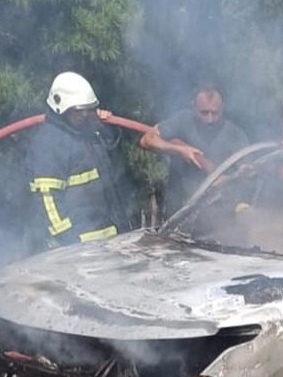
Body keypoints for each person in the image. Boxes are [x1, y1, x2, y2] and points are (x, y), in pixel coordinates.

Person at [23, 72, 137, 251]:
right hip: (80, 250)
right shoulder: (50, 143)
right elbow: (49, 202)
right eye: (79, 111)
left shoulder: (88, 134)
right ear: (61, 108)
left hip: (109, 243)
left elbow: (113, 171)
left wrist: (105, 128)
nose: (85, 115)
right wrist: (71, 244)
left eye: (88, 109)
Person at [139, 85, 248, 215]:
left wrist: (230, 179)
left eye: (215, 113)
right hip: (179, 211)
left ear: (222, 108)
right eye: (204, 113)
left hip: (219, 215)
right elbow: (146, 140)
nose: (210, 119)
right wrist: (179, 150)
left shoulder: (234, 133)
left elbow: (246, 170)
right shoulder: (182, 120)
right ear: (194, 107)